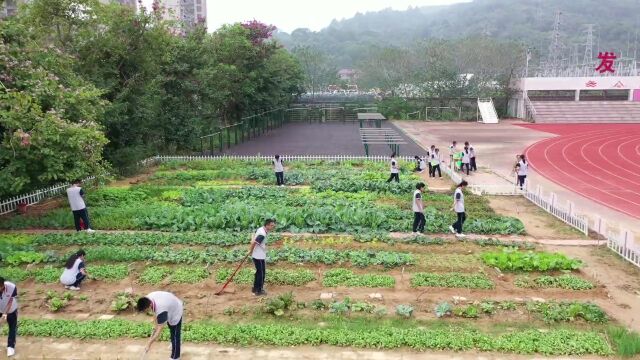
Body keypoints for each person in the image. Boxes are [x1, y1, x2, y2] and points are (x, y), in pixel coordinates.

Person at [136, 291, 183, 360]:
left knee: (175, 332)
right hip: (168, 302)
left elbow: (159, 331)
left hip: (176, 309)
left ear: (149, 306)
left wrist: (149, 343)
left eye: (145, 310)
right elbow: (154, 312)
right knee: (171, 328)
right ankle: (176, 343)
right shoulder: (147, 299)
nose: (145, 312)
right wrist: (155, 325)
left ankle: (175, 357)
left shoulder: (161, 310)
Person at [248, 219, 276, 296]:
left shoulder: (261, 229)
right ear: (267, 225)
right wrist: (250, 251)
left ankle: (255, 288)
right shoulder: (262, 234)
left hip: (259, 254)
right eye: (271, 225)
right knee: (261, 273)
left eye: (273, 225)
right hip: (258, 256)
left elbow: (253, 236)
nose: (273, 227)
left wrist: (252, 239)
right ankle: (258, 290)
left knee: (259, 272)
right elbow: (254, 243)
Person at [0, 277, 18, 357]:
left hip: (11, 310)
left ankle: (10, 347)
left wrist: (5, 313)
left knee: (12, 327)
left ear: (3, 285)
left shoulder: (12, 287)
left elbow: (10, 300)